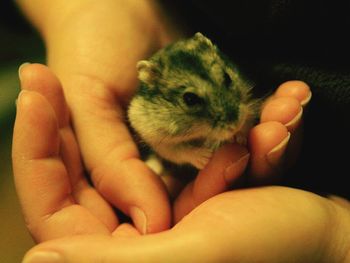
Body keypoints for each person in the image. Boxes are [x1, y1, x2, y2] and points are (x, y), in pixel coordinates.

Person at [12, 1, 350, 262]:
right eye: (191, 100)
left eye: (226, 82)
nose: (231, 114)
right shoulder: (152, 115)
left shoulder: (230, 79)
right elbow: (159, 140)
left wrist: (339, 243)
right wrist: (82, 7)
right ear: (154, 87)